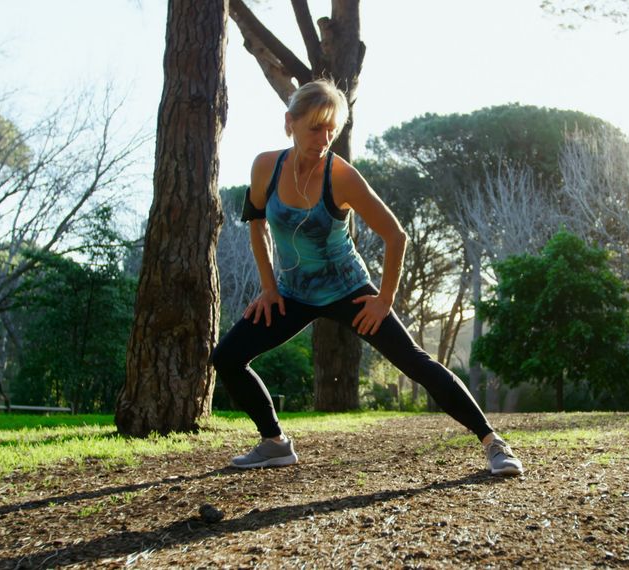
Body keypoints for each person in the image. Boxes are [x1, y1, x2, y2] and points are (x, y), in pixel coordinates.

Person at [210, 79, 523, 476]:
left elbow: (395, 236)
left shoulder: (340, 176)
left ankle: (493, 442)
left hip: (348, 290)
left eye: (331, 130)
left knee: (415, 362)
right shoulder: (265, 167)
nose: (324, 138)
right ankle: (274, 443)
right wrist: (269, 288)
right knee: (227, 357)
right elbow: (256, 221)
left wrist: (384, 299)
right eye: (314, 128)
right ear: (290, 122)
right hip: (293, 293)